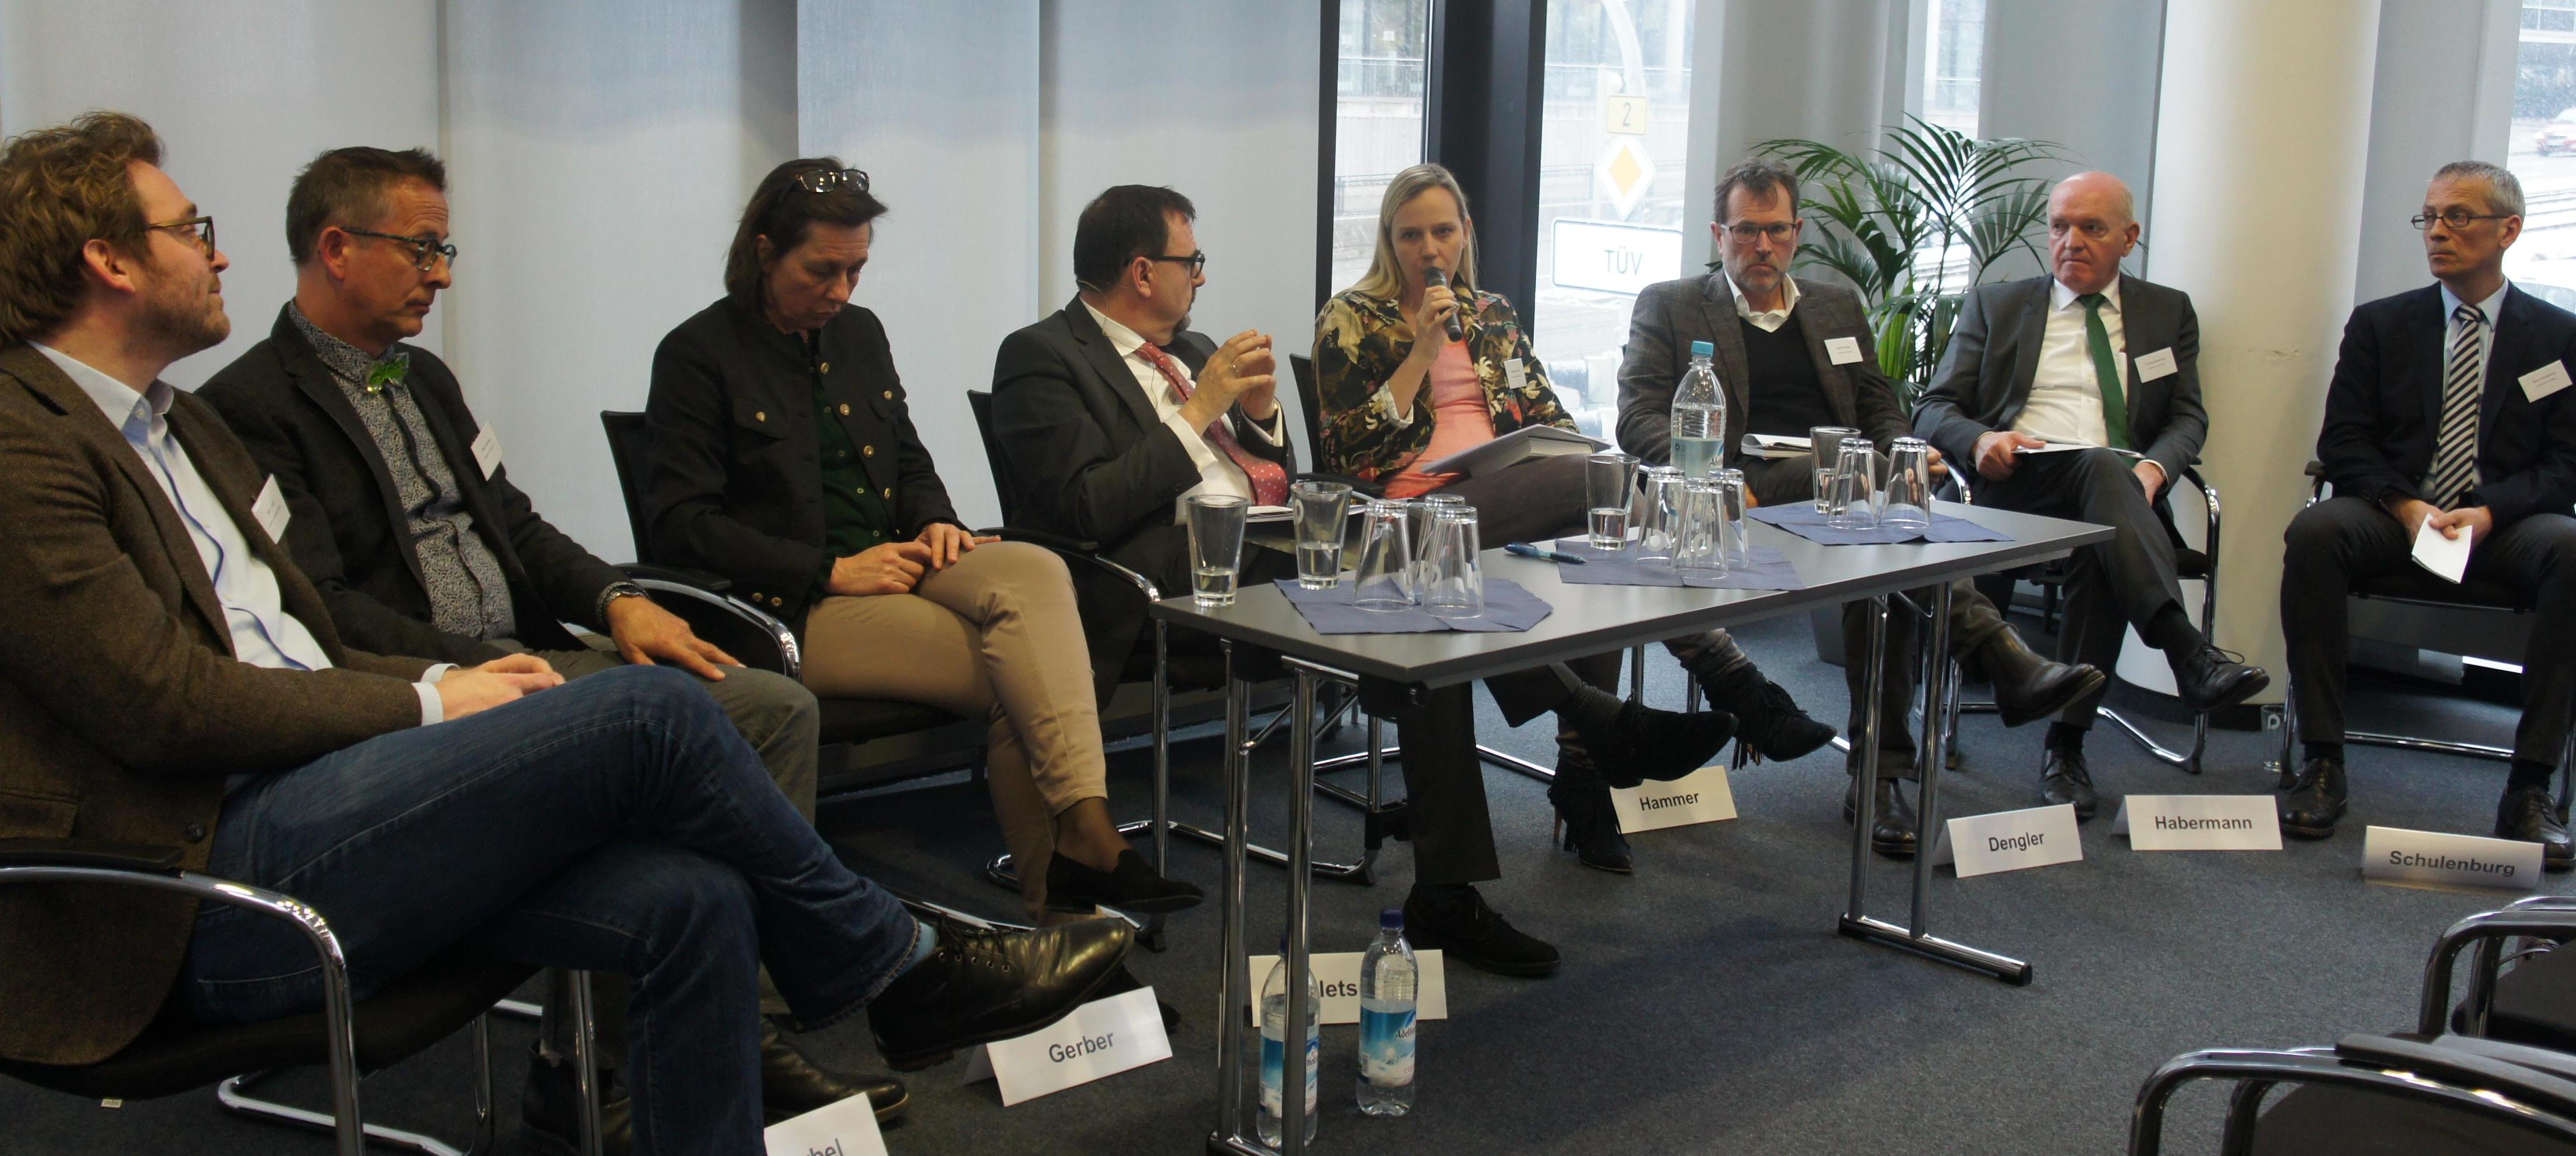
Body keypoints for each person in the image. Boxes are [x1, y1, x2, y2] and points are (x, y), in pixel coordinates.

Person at [0, 111, 1129, 1156]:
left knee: (696, 898)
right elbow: (167, 699)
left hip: (347, 764)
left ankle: (726, 1038)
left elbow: (462, 555)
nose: (220, 251)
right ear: (107, 259)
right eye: (190, 230)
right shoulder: (33, 440)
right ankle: (901, 962)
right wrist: (440, 694)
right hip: (199, 869)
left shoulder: (185, 419)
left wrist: (605, 606)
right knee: (654, 709)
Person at [192, 146, 881, 1144]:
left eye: (447, 248)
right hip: (428, 691)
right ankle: (599, 1063)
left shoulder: (425, 378)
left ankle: (745, 1020)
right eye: (423, 249)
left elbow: (516, 528)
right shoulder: (250, 407)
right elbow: (323, 609)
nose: (444, 272)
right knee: (651, 741)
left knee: (773, 704)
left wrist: (615, 600)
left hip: (538, 652)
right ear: (337, 249)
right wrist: (463, 673)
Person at [990, 183, 1735, 975]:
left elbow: (1274, 474)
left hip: (1278, 545)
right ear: (1142, 272)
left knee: (1418, 598)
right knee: (1419, 579)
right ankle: (1585, 731)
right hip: (1178, 581)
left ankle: (1469, 864)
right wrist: (1196, 410)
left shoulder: (1196, 348)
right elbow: (1082, 508)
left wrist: (1263, 414)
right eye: (1190, 260)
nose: (1200, 277)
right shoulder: (1042, 356)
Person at [644, 158, 1199, 925]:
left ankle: (1085, 834)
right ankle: (1069, 917)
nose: (841, 292)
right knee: (1023, 684)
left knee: (1034, 571)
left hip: (896, 564)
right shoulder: (697, 355)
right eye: (823, 271)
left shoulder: (857, 334)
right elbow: (681, 525)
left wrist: (936, 516)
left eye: (857, 270)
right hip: (793, 601)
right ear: (764, 251)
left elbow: (905, 460)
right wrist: (831, 569)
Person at [1312, 162, 1841, 872]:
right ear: (1389, 241)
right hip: (1408, 518)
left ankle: (1585, 772)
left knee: (1604, 522)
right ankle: (1730, 679)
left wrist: (1553, 447)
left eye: (1443, 231)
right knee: (1609, 487)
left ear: (1465, 233)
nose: (1429, 250)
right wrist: (1422, 354)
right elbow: (1346, 450)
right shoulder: (1353, 317)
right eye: (1412, 235)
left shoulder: (1491, 314)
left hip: (1501, 501)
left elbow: (1551, 416)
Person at [1618, 157, 2107, 858]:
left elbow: (1877, 404)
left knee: (1889, 548)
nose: (1763, 247)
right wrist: (1719, 475)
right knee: (1888, 512)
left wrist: (1909, 452)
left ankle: (1884, 775)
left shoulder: (1835, 304)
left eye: (1777, 231)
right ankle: (1987, 666)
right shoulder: (1670, 304)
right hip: (1742, 491)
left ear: (1798, 232)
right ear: (1718, 233)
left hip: (1845, 491)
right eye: (1747, 231)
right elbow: (1637, 417)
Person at [1914, 170, 2267, 820]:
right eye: (2059, 226)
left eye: (2092, 228)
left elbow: (2188, 418)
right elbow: (1933, 406)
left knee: (2103, 523)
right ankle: (2185, 653)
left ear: (2130, 238)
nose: (2070, 241)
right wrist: (1980, 438)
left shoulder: (2167, 311)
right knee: (2104, 486)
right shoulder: (1998, 305)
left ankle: (2065, 745)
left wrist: (2157, 471)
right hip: (2019, 481)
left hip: (2120, 490)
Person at [2281, 160, 2576, 864]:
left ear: (2509, 230)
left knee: (2573, 547)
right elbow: (2342, 441)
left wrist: (2488, 513)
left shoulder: (2559, 337)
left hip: (2503, 525)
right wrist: (2406, 504)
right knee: (2316, 529)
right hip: (2395, 513)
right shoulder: (2383, 325)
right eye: (2430, 217)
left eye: (2459, 217)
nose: (2438, 232)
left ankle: (2530, 786)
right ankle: (2322, 760)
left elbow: (2566, 464)